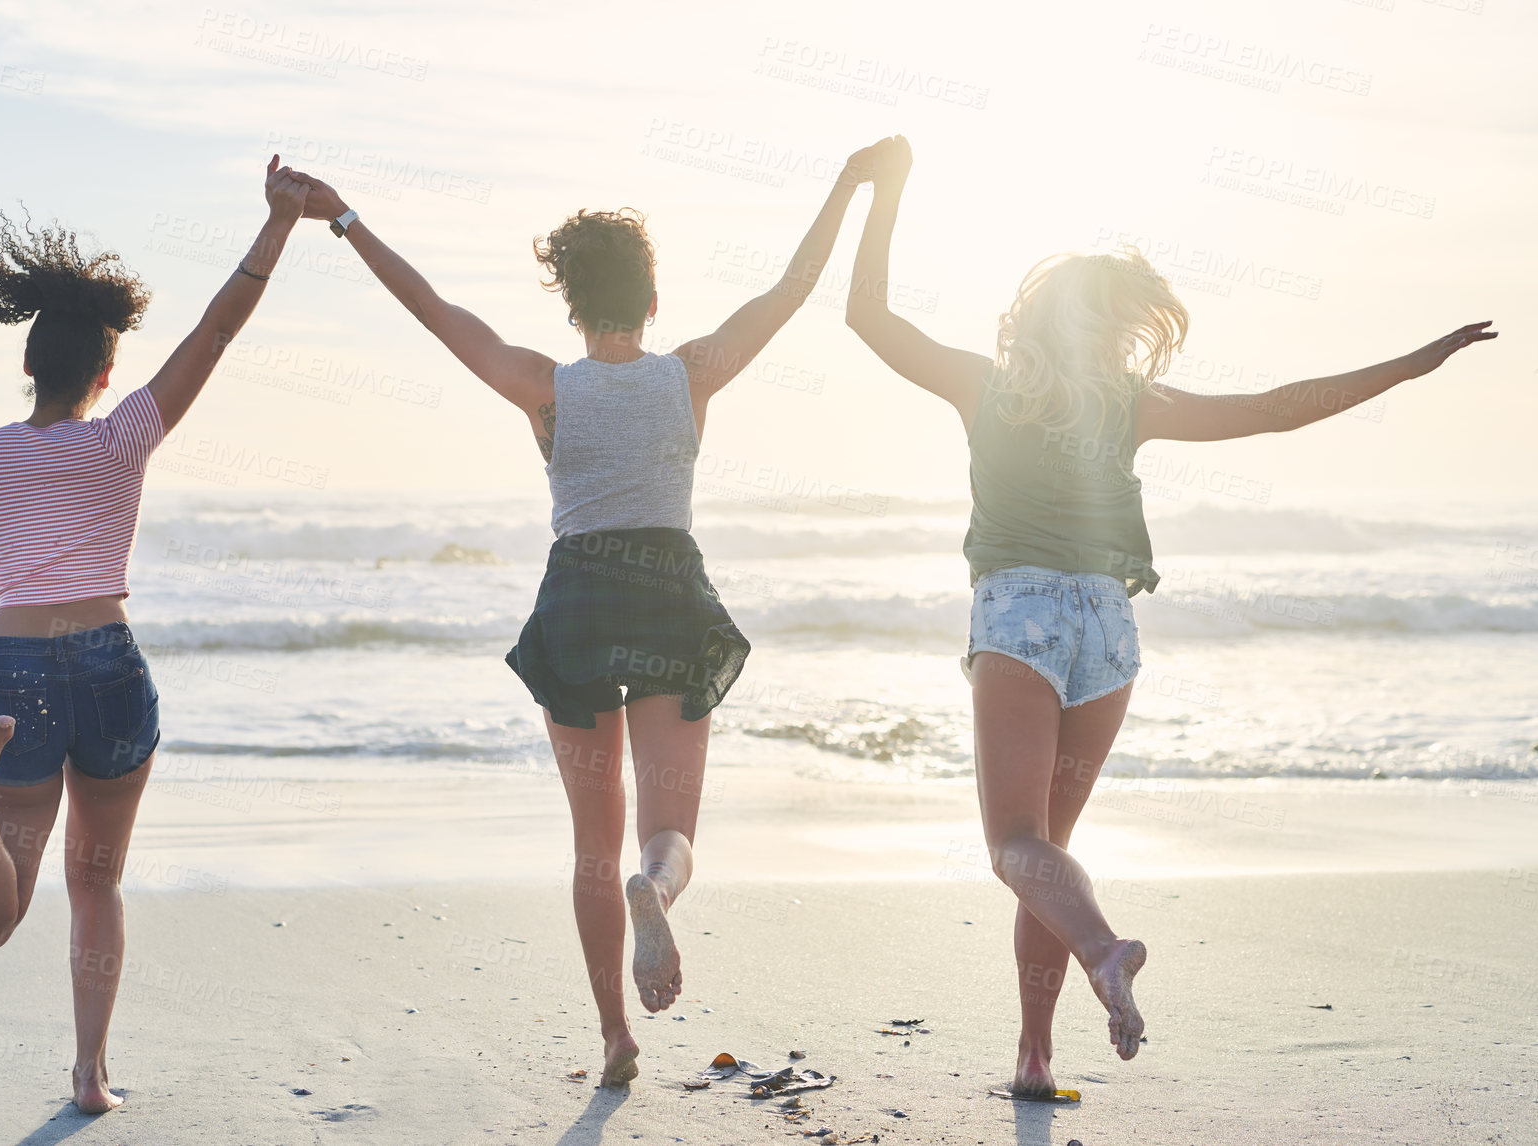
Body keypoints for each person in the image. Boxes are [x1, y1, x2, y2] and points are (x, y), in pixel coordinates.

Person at [843, 134, 1495, 1095]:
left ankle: (1106, 952)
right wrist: (1406, 365)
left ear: (1036, 316)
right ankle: (1033, 1058)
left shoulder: (982, 384)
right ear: (1113, 328)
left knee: (1015, 849)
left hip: (1019, 616)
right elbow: (1277, 409)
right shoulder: (1131, 402)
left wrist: (884, 191)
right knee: (1047, 855)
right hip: (1108, 628)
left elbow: (864, 315)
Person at [291, 140, 886, 1085]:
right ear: (653, 299)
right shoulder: (691, 372)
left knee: (587, 839)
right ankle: (655, 888)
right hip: (666, 593)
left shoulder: (545, 385)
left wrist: (346, 217)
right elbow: (790, 287)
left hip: (576, 595)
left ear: (569, 303)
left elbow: (435, 312)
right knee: (668, 832)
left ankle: (614, 1035)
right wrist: (851, 183)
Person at [0, 156, 314, 1114]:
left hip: (15, 673)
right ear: (106, 373)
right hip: (114, 668)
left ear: (27, 365)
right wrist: (278, 224)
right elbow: (216, 331)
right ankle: (89, 1073)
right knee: (97, 882)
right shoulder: (125, 436)